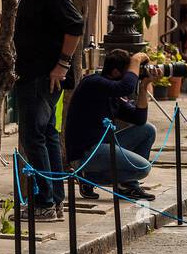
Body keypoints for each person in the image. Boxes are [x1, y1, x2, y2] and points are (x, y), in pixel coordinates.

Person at [10, 0, 85, 221]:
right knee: (47, 135)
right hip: (34, 72)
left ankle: (45, 200)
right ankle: (54, 198)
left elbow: (75, 23)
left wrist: (62, 65)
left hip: (43, 75)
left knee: (34, 135)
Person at [66, 49, 158, 200]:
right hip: (86, 154)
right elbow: (126, 87)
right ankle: (88, 176)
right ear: (116, 72)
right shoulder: (93, 83)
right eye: (130, 71)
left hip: (104, 146)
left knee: (147, 130)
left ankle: (128, 185)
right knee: (143, 168)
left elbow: (139, 118)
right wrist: (135, 60)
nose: (133, 75)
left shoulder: (113, 92)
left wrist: (143, 87)